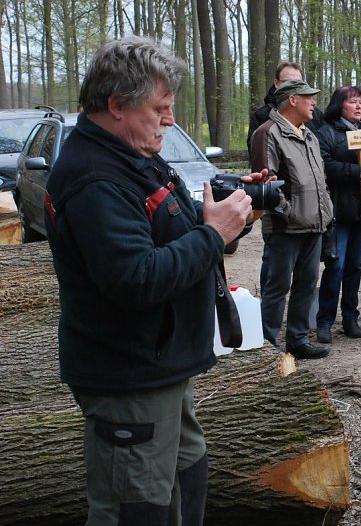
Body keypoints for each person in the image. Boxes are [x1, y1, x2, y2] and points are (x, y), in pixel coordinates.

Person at [44, 36, 265, 526]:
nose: (170, 119)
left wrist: (227, 219)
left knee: (184, 482)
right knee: (135, 510)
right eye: (160, 108)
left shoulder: (133, 157)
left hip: (160, 365)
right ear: (117, 105)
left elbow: (176, 233)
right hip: (128, 373)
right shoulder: (95, 178)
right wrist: (212, 234)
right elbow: (136, 279)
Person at [250, 79, 334, 359]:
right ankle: (267, 345)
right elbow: (265, 183)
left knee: (307, 284)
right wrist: (287, 211)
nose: (314, 103)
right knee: (277, 286)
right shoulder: (268, 133)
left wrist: (325, 211)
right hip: (285, 227)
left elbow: (319, 179)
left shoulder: (308, 134)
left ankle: (297, 340)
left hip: (314, 223)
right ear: (293, 100)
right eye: (308, 97)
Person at [315, 86, 361, 341]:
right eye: (352, 102)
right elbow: (323, 164)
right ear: (339, 106)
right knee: (335, 267)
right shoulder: (326, 133)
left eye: (360, 102)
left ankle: (350, 318)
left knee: (354, 268)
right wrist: (355, 172)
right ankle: (324, 321)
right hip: (338, 212)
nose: (358, 106)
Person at [247, 61, 322, 154]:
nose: (292, 86)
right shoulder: (262, 116)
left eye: (298, 83)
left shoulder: (315, 114)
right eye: (287, 82)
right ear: (276, 83)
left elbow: (323, 148)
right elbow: (257, 153)